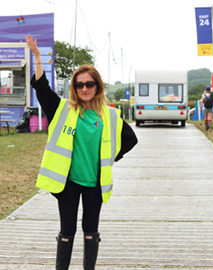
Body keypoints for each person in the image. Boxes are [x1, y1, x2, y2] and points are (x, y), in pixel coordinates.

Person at [24, 34, 138, 270]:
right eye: (79, 84)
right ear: (75, 87)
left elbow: (130, 140)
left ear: (97, 86)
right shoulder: (63, 109)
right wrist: (37, 56)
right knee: (67, 230)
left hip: (95, 183)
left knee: (91, 229)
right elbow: (42, 88)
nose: (84, 88)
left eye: (89, 84)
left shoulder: (110, 115)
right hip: (68, 181)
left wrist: (109, 158)